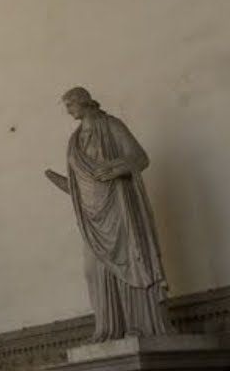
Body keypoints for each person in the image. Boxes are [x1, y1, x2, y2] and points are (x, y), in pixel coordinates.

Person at [45, 86, 171, 341]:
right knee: (94, 271)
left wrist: (118, 169)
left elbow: (140, 158)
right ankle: (109, 328)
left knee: (130, 263)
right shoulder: (74, 141)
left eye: (70, 105)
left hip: (119, 209)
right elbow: (80, 187)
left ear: (82, 103)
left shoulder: (112, 125)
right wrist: (57, 180)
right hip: (92, 219)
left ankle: (143, 325)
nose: (68, 111)